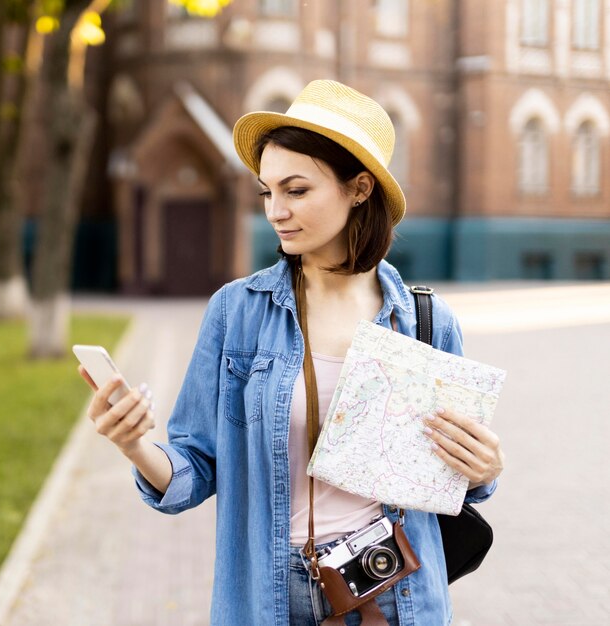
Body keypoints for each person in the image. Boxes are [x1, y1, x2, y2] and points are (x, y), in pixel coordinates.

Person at [80, 80, 505, 626]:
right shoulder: (237, 313)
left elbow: (455, 481)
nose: (275, 211)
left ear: (359, 189)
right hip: (268, 599)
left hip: (395, 598)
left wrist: (485, 468)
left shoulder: (425, 321)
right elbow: (192, 471)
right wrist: (135, 444)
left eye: (296, 190)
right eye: (266, 192)